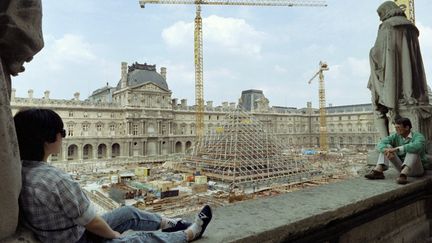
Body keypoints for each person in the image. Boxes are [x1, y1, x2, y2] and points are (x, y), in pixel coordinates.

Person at [14, 108, 212, 243]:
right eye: (63, 132)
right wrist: (114, 235)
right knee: (137, 240)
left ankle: (170, 224)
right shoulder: (56, 180)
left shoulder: (21, 169)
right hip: (77, 239)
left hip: (65, 233)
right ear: (48, 139)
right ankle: (188, 233)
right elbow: (92, 222)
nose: (64, 137)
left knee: (127, 213)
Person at [367, 1, 428, 138]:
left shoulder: (387, 26)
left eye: (380, 14)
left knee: (377, 106)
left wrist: (370, 52)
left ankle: (385, 142)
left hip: (392, 79)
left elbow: (378, 53)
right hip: (414, 85)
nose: (380, 18)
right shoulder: (412, 28)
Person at [365, 117, 427, 184]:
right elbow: (380, 143)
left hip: (416, 169)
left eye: (398, 128)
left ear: (407, 127)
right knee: (387, 147)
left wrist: (397, 149)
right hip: (401, 169)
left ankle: (404, 174)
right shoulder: (395, 136)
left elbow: (418, 146)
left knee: (412, 150)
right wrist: (386, 150)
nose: (396, 130)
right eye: (395, 128)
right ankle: (378, 170)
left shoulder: (418, 136)